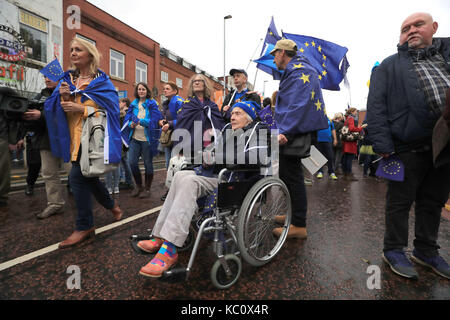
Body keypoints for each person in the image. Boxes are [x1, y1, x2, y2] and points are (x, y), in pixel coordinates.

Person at [137, 100, 269, 277]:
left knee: (189, 182)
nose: (232, 116)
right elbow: (210, 149)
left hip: (234, 181)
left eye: (238, 113)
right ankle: (161, 235)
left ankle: (169, 248)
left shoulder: (257, 132)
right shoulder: (227, 130)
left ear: (249, 117)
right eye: (233, 113)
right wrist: (206, 155)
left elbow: (256, 157)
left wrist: (219, 157)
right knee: (180, 176)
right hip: (216, 176)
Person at [367, 12, 450, 279]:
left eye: (418, 25)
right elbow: (376, 107)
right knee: (400, 201)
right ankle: (393, 249)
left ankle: (426, 251)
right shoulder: (388, 66)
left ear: (434, 28)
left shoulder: (445, 59)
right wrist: (383, 144)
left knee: (433, 200)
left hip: (445, 144)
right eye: (405, 28)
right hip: (406, 145)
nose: (411, 30)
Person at [44, 37, 123, 248]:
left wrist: (83, 109)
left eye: (78, 49)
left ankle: (84, 226)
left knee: (76, 179)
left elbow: (112, 113)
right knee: (89, 178)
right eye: (71, 50)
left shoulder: (102, 83)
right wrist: (63, 98)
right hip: (73, 138)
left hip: (91, 141)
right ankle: (113, 206)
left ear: (90, 55)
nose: (73, 53)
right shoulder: (66, 80)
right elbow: (56, 111)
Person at [269, 39, 328, 239]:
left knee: (293, 178)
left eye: (275, 53)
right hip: (292, 129)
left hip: (294, 131)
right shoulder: (295, 71)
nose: (274, 58)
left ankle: (299, 224)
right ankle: (292, 214)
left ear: (283, 52)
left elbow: (299, 105)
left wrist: (286, 131)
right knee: (287, 175)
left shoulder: (302, 71)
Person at [173, 74, 225, 164]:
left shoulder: (212, 106)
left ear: (205, 84)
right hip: (190, 148)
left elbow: (219, 124)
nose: (196, 82)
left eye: (199, 81)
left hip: (208, 148)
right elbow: (181, 126)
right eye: (194, 81)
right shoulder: (187, 104)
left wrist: (214, 130)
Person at [125, 83, 162, 198]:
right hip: (134, 138)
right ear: (137, 91)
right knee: (132, 162)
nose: (141, 91)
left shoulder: (152, 104)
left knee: (148, 164)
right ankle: (139, 186)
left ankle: (147, 189)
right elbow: (127, 119)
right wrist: (130, 124)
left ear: (147, 91)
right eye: (139, 89)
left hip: (147, 139)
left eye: (143, 89)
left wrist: (141, 121)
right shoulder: (133, 104)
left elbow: (155, 120)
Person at [159, 82, 184, 201]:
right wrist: (162, 121)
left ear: (175, 90)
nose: (165, 90)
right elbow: (164, 116)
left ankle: (175, 191)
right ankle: (171, 189)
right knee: (169, 164)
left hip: (178, 136)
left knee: (176, 165)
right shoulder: (166, 103)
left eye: (167, 89)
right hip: (169, 136)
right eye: (164, 89)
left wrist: (169, 124)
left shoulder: (179, 101)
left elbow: (183, 118)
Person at [0, 87, 22, 209]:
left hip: (2, 137)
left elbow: (15, 117)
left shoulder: (4, 92)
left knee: (2, 169)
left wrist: (13, 139)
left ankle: (2, 197)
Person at [342, 107, 365, 181]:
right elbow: (352, 128)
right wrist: (360, 128)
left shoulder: (347, 118)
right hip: (351, 142)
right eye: (355, 111)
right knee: (349, 158)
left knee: (346, 158)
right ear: (352, 112)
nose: (356, 113)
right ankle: (349, 174)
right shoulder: (351, 118)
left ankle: (345, 174)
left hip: (346, 141)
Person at [118, 98, 134, 190]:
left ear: (124, 103)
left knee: (122, 160)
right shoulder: (129, 112)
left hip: (123, 140)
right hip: (127, 139)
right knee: (124, 160)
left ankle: (125, 180)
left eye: (119, 102)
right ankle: (128, 180)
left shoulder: (124, 113)